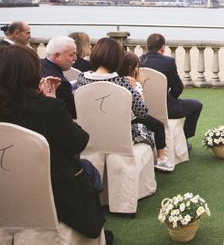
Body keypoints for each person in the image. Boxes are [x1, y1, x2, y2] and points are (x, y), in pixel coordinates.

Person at [0, 45, 110, 242]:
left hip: (5, 191)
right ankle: (96, 229)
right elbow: (79, 142)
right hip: (52, 192)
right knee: (88, 170)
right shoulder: (47, 108)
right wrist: (51, 100)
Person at [76, 37, 174, 172]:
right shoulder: (122, 83)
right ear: (116, 59)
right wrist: (136, 87)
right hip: (118, 136)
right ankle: (162, 158)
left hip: (89, 135)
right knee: (150, 127)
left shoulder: (81, 78)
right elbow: (142, 112)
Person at [140, 33, 203, 146]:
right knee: (197, 105)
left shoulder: (138, 61)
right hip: (166, 108)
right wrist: (169, 99)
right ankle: (184, 140)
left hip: (142, 109)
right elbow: (178, 87)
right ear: (163, 48)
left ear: (146, 46)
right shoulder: (168, 62)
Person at [41, 36, 78, 119]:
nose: (75, 58)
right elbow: (73, 113)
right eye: (72, 55)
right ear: (57, 56)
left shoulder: (38, 64)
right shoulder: (60, 83)